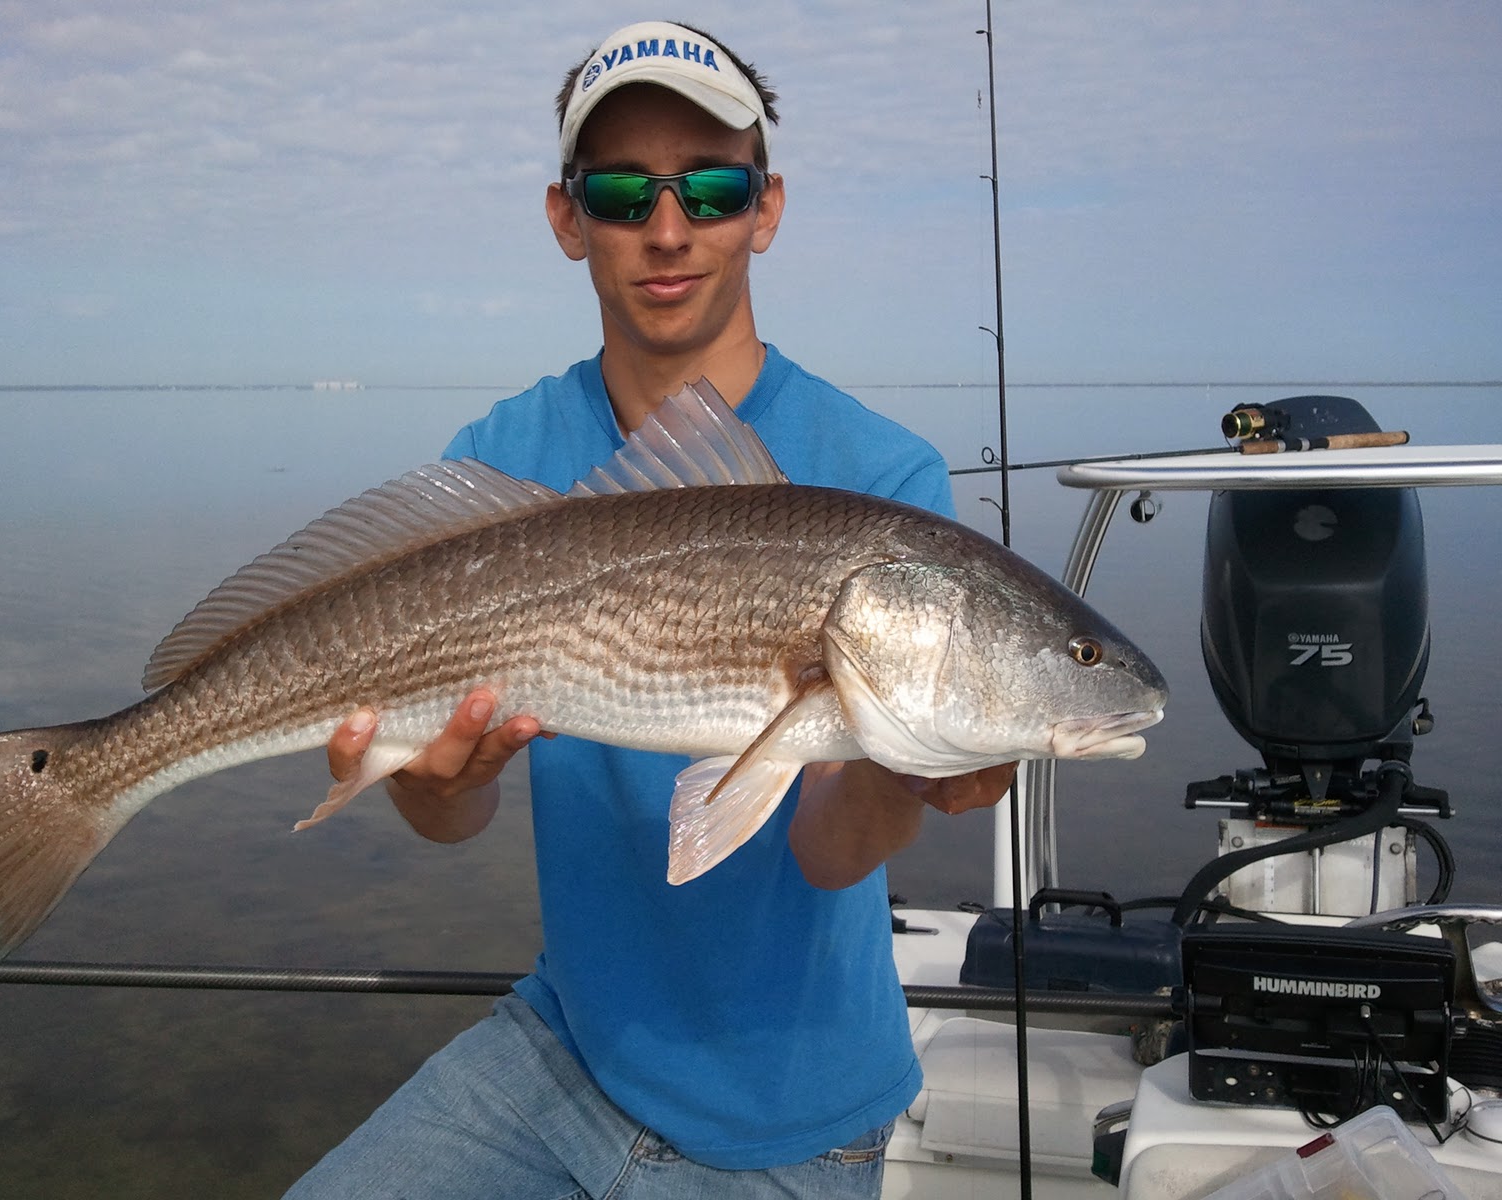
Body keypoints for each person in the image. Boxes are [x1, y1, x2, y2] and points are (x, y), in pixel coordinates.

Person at [286, 20, 1015, 1199]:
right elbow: (449, 819)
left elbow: (829, 853)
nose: (667, 229)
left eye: (710, 186)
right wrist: (433, 782)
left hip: (791, 1114)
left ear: (764, 209)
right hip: (563, 1048)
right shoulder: (503, 456)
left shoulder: (881, 480)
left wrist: (909, 765)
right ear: (566, 218)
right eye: (622, 192)